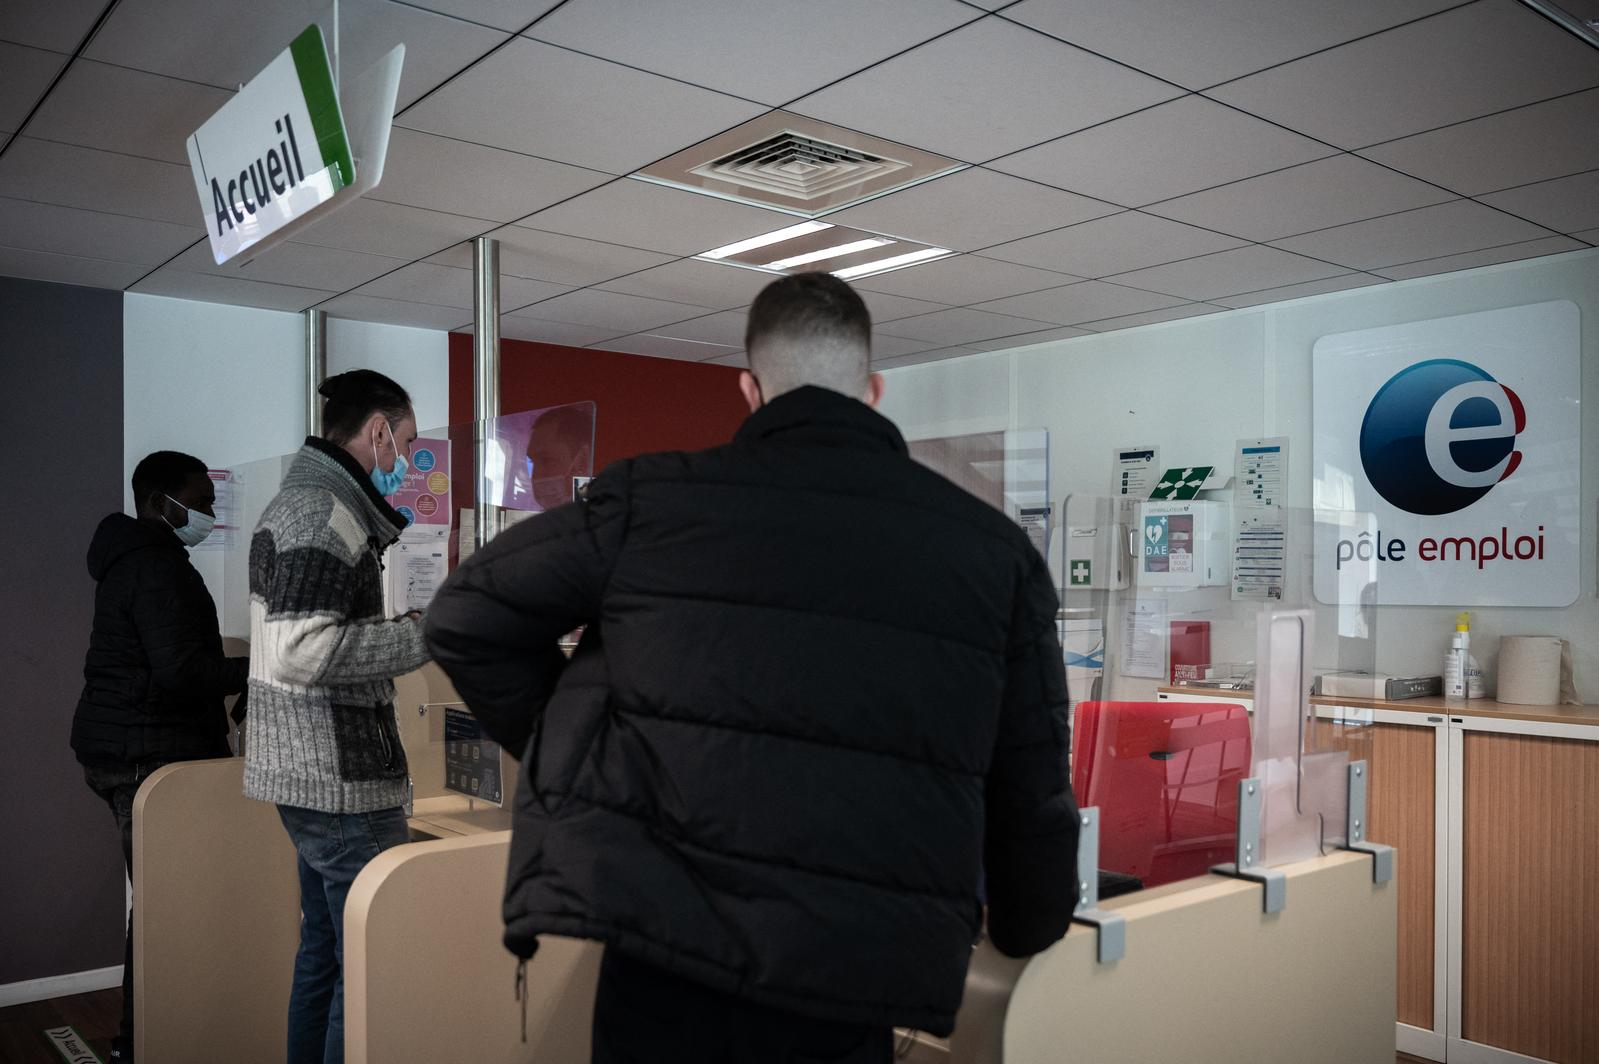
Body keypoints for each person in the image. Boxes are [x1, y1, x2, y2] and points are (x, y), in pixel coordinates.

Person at [425, 272, 1079, 1063]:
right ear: (873, 389)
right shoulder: (992, 552)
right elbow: (1029, 770)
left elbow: (463, 616)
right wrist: (1029, 918)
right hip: (850, 967)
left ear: (749, 388)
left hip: (664, 947)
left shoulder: (653, 503)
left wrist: (582, 755)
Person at [243, 370, 432, 1064]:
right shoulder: (323, 511)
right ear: (378, 431)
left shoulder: (306, 502)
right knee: (368, 963)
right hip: (341, 782)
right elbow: (301, 650)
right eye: (406, 442)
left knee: (326, 951)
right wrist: (425, 634)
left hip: (312, 775)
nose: (407, 460)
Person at [72, 450, 249, 1064]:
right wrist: (259, 670)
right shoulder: (155, 567)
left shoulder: (134, 559)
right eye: (199, 503)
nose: (208, 514)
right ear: (158, 503)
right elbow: (181, 672)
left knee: (162, 899)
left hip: (123, 748)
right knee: (164, 904)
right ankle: (139, 1042)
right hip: (148, 755)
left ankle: (153, 1036)